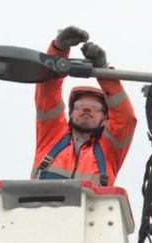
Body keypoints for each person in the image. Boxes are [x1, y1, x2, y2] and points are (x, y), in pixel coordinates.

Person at [31, 26, 137, 186]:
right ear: (71, 113)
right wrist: (59, 49)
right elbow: (47, 91)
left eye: (95, 108)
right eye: (80, 105)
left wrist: (103, 71)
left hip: (90, 211)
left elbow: (126, 118)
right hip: (44, 209)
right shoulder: (52, 136)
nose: (87, 109)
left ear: (104, 119)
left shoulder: (109, 150)